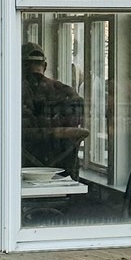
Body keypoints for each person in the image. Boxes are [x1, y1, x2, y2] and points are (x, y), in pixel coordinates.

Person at [21, 42, 86, 177]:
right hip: (63, 171)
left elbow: (22, 134)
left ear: (20, 66)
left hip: (25, 170)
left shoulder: (12, 97)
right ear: (45, 66)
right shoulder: (67, 93)